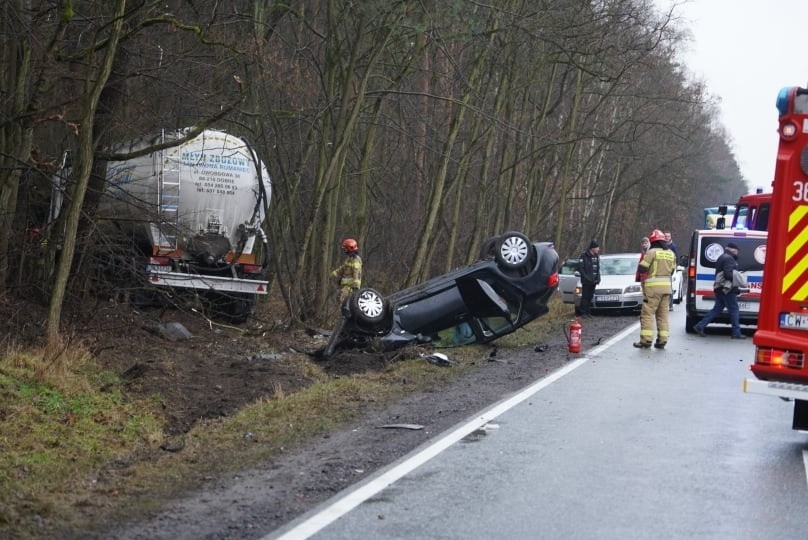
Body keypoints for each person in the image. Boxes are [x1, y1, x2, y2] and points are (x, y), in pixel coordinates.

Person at [693, 242, 746, 339]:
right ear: (733, 250)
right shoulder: (729, 259)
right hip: (727, 289)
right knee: (734, 310)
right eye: (737, 251)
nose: (737, 253)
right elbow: (727, 274)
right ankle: (736, 333)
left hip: (719, 288)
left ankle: (700, 326)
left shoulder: (722, 257)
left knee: (716, 310)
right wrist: (738, 278)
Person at [633, 229, 676, 349]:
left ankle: (646, 340)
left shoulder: (652, 252)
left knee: (647, 314)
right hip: (667, 289)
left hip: (653, 289)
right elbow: (672, 270)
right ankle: (662, 340)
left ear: (652, 241)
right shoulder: (671, 253)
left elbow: (642, 268)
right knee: (663, 315)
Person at [331, 237, 363, 303]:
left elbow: (356, 273)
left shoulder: (356, 260)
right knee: (340, 300)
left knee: (342, 300)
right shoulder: (349, 258)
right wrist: (335, 273)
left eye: (345, 248)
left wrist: (355, 287)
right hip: (345, 285)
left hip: (351, 287)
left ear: (350, 248)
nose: (344, 250)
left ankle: (347, 312)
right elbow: (343, 268)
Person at [578, 239, 601, 318]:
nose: (598, 249)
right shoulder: (584, 256)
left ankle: (588, 312)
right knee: (585, 296)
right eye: (597, 247)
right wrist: (587, 278)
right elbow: (581, 269)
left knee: (590, 296)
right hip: (586, 281)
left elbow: (598, 268)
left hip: (593, 281)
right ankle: (583, 312)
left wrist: (598, 278)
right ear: (593, 248)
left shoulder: (596, 256)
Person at [665, 232, 679, 311]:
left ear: (670, 237)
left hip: (670, 270)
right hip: (662, 270)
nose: (666, 237)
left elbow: (676, 258)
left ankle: (670, 305)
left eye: (668, 236)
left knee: (669, 288)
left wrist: (673, 269)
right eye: (665, 236)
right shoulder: (662, 246)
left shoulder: (673, 246)